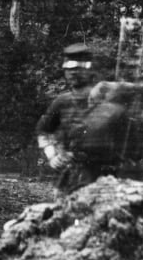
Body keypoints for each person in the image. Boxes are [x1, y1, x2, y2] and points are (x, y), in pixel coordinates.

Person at [36, 43, 102, 193]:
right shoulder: (62, 102)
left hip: (101, 177)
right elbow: (43, 130)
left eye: (78, 69)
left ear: (89, 71)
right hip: (68, 176)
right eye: (69, 69)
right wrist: (52, 155)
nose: (73, 74)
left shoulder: (105, 99)